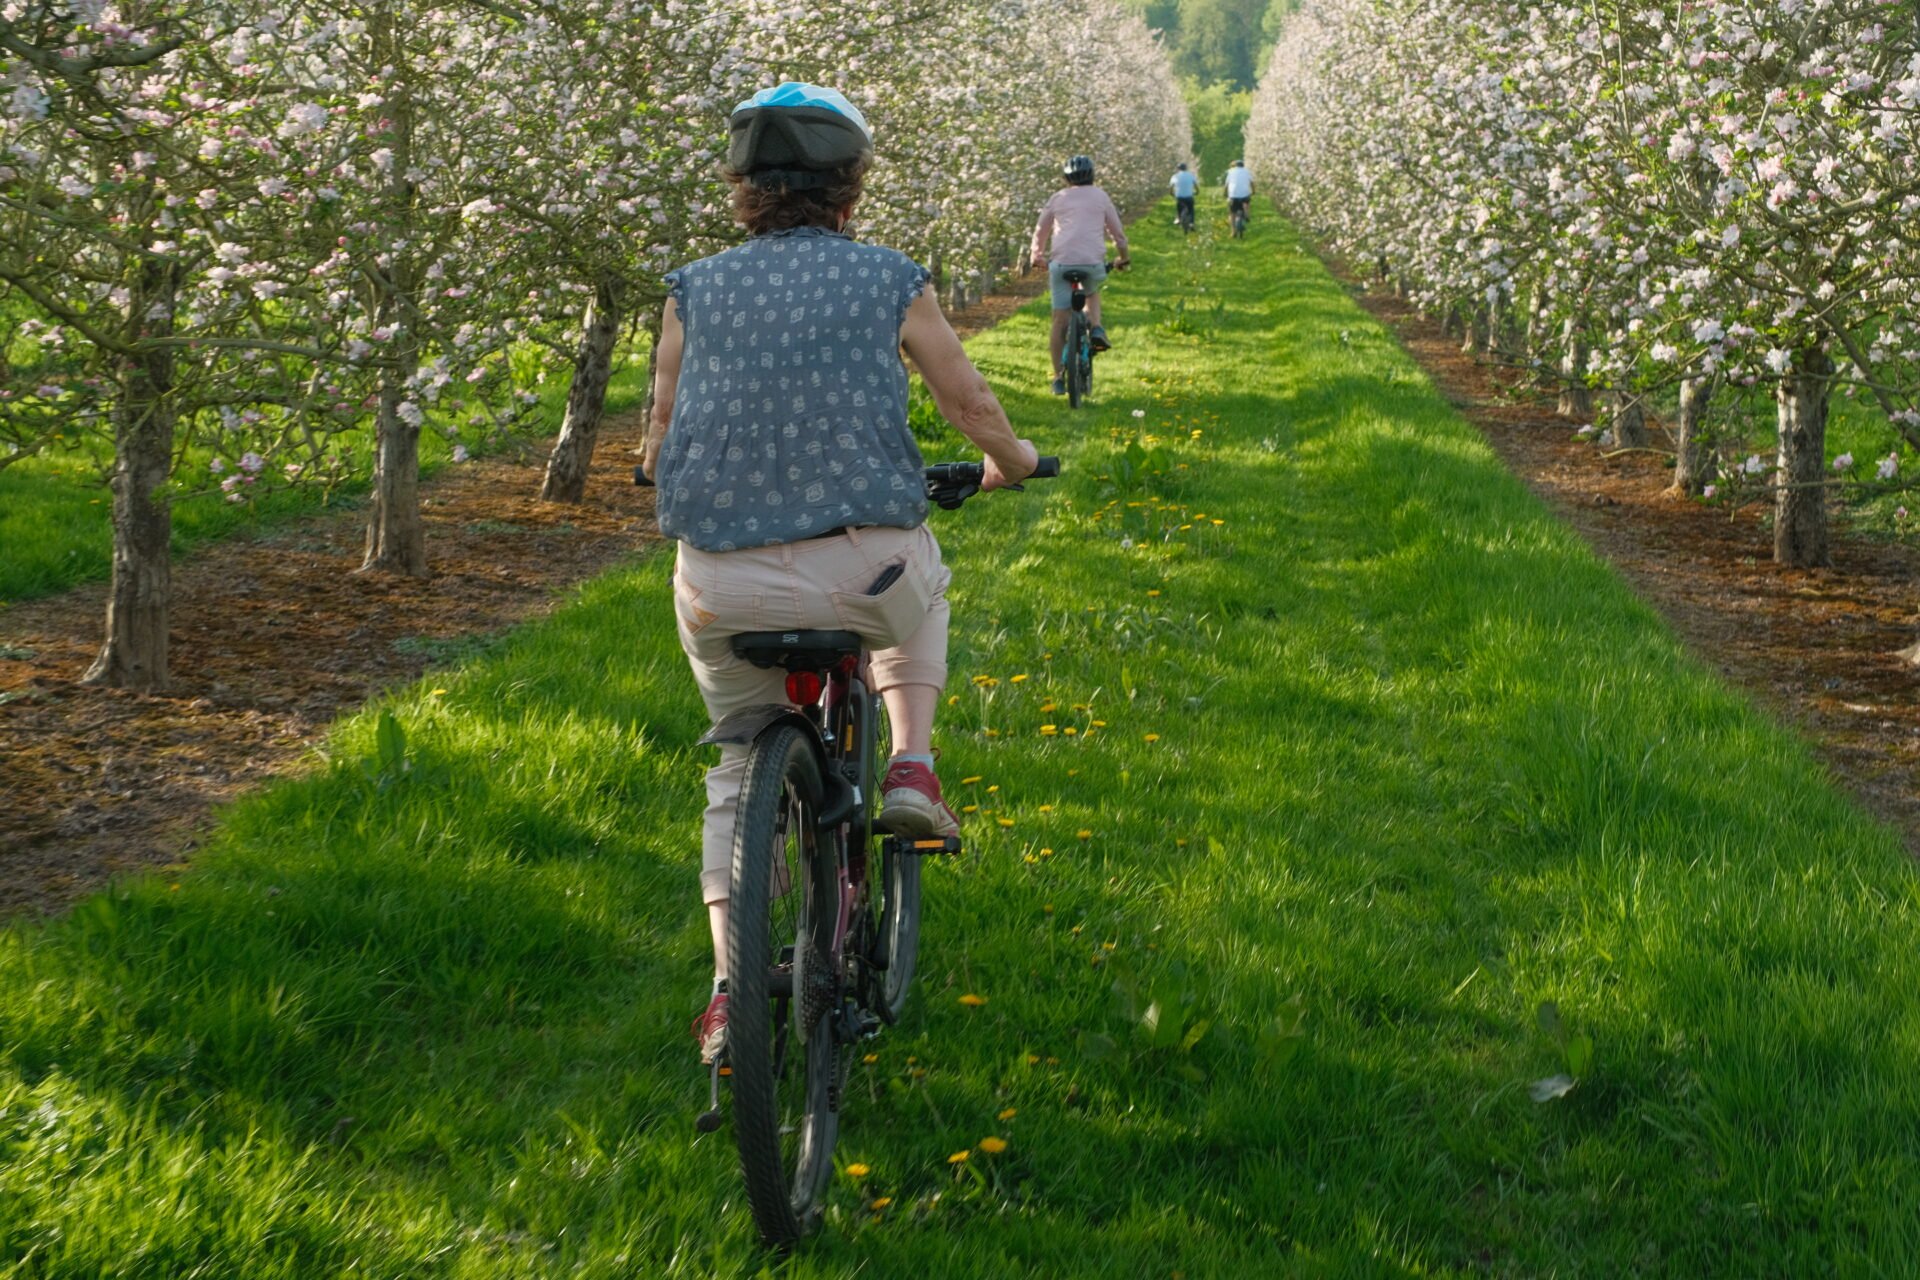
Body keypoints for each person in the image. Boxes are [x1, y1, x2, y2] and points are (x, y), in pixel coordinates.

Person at [641, 82, 1039, 1065]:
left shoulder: (694, 287)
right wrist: (1014, 460)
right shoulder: (890, 279)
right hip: (866, 568)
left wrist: (657, 462)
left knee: (738, 763)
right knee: (923, 579)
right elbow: (969, 398)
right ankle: (911, 762)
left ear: (743, 192)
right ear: (849, 190)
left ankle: (733, 994)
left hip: (722, 583)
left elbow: (659, 424)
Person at [1029, 155, 1130, 396]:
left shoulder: (1058, 198)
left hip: (1061, 264)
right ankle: (1095, 327)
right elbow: (1117, 232)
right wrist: (1123, 257)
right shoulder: (1101, 197)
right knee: (1091, 292)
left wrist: (1037, 256)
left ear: (1066, 179)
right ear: (1093, 175)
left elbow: (1040, 229)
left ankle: (1057, 377)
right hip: (1092, 263)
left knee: (1059, 321)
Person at [1224, 159, 1255, 228]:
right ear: (1243, 166)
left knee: (1232, 213)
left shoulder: (1231, 172)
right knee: (1246, 201)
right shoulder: (1247, 172)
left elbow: (1226, 184)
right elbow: (1252, 183)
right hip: (1245, 194)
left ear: (1235, 166)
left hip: (1233, 195)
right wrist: (1253, 191)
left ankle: (1233, 231)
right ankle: (1247, 214)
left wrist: (1225, 193)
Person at [1169, 162, 1197, 231]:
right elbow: (1196, 186)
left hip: (1179, 197)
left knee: (1179, 207)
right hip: (1189, 196)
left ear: (1178, 169)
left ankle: (1178, 218)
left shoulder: (1175, 176)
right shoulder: (1191, 175)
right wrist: (1197, 192)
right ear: (1186, 168)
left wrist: (1172, 193)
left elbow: (1171, 187)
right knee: (1191, 210)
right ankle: (1191, 223)